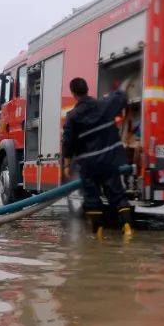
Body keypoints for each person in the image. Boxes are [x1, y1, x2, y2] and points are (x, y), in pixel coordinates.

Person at [62, 77, 134, 238]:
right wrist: (126, 84)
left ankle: (99, 232)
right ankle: (127, 227)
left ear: (73, 93)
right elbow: (121, 97)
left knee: (92, 198)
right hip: (109, 161)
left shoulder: (72, 117)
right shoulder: (104, 105)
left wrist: (67, 166)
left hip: (89, 165)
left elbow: (68, 143)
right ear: (87, 89)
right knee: (117, 194)